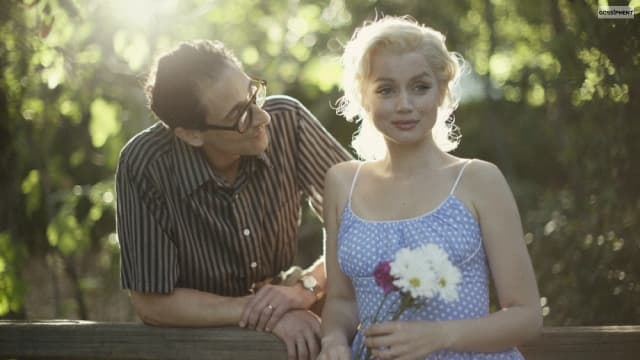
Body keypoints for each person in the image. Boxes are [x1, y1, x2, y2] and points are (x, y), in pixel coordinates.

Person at [318, 16, 542, 360]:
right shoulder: (342, 183)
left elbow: (526, 316)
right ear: (363, 96)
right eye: (386, 89)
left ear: (442, 91)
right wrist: (333, 341)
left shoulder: (479, 180)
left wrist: (439, 336)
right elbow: (342, 301)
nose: (405, 104)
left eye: (420, 87)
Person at [115, 39, 351, 360]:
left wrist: (304, 290)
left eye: (253, 93)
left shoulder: (287, 119)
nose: (262, 118)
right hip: (196, 343)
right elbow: (152, 303)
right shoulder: (145, 164)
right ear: (191, 134)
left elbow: (365, 218)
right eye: (241, 114)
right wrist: (266, 313)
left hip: (294, 304)